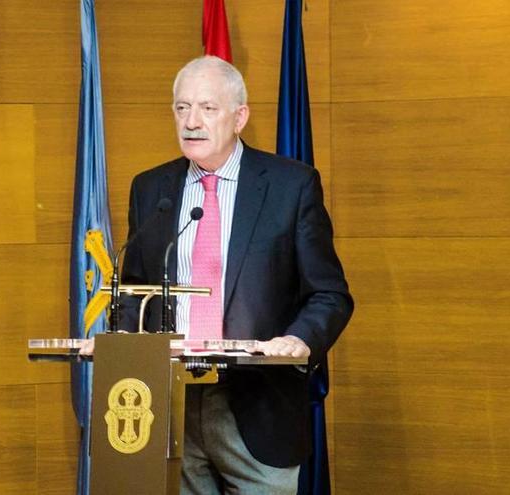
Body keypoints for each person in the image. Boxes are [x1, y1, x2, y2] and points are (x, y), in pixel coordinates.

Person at [118, 56, 353, 494]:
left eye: (208, 108)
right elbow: (134, 290)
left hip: (258, 407)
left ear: (239, 116)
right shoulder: (151, 189)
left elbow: (330, 294)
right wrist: (124, 340)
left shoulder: (291, 186)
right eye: (182, 107)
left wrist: (299, 340)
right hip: (171, 407)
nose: (191, 121)